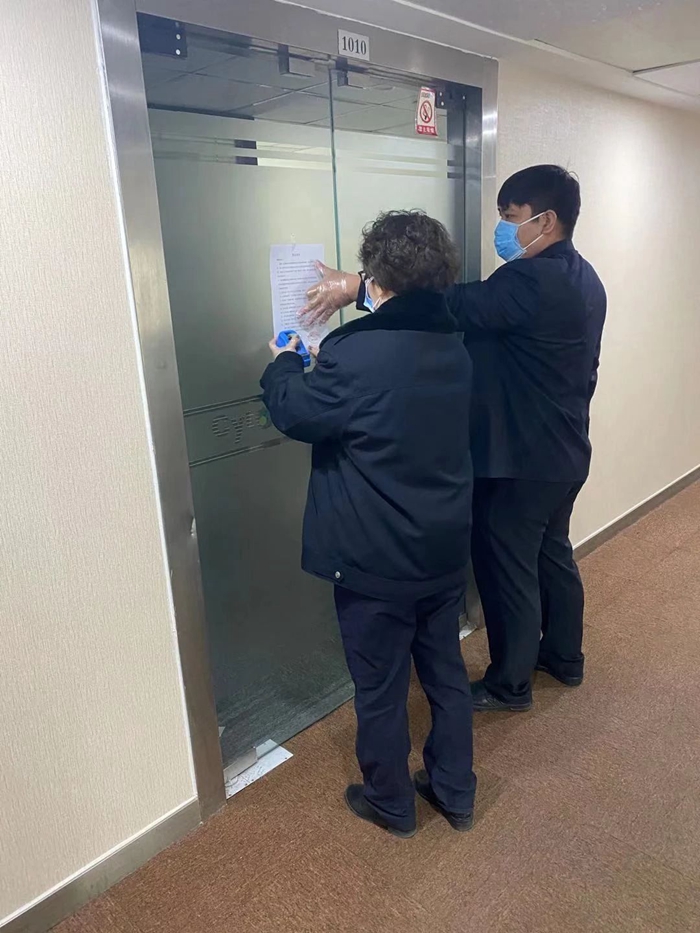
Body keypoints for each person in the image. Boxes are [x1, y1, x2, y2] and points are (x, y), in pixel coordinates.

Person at [301, 165, 607, 714]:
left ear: (546, 220)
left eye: (511, 217)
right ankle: (565, 657)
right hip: (565, 450)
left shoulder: (529, 281)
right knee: (551, 554)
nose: (503, 228)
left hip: (520, 460)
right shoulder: (585, 277)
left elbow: (450, 305)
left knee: (508, 570)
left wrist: (360, 287)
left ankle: (510, 684)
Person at [261, 210, 477, 838]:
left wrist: (282, 362)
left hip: (375, 556)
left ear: (376, 277)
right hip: (442, 546)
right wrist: (357, 289)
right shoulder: (455, 343)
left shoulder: (354, 353)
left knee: (380, 687)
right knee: (445, 673)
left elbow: (297, 412)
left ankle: (390, 801)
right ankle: (455, 790)